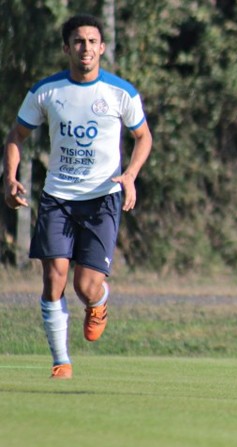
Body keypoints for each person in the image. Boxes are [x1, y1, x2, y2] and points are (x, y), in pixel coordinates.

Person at [2, 14, 152, 379]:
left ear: (102, 48)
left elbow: (143, 137)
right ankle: (61, 361)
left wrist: (130, 176)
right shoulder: (46, 91)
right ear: (66, 48)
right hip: (58, 197)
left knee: (85, 285)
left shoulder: (120, 92)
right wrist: (10, 178)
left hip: (103, 198)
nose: (85, 48)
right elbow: (15, 136)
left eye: (92, 41)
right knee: (54, 277)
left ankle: (98, 301)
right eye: (78, 42)